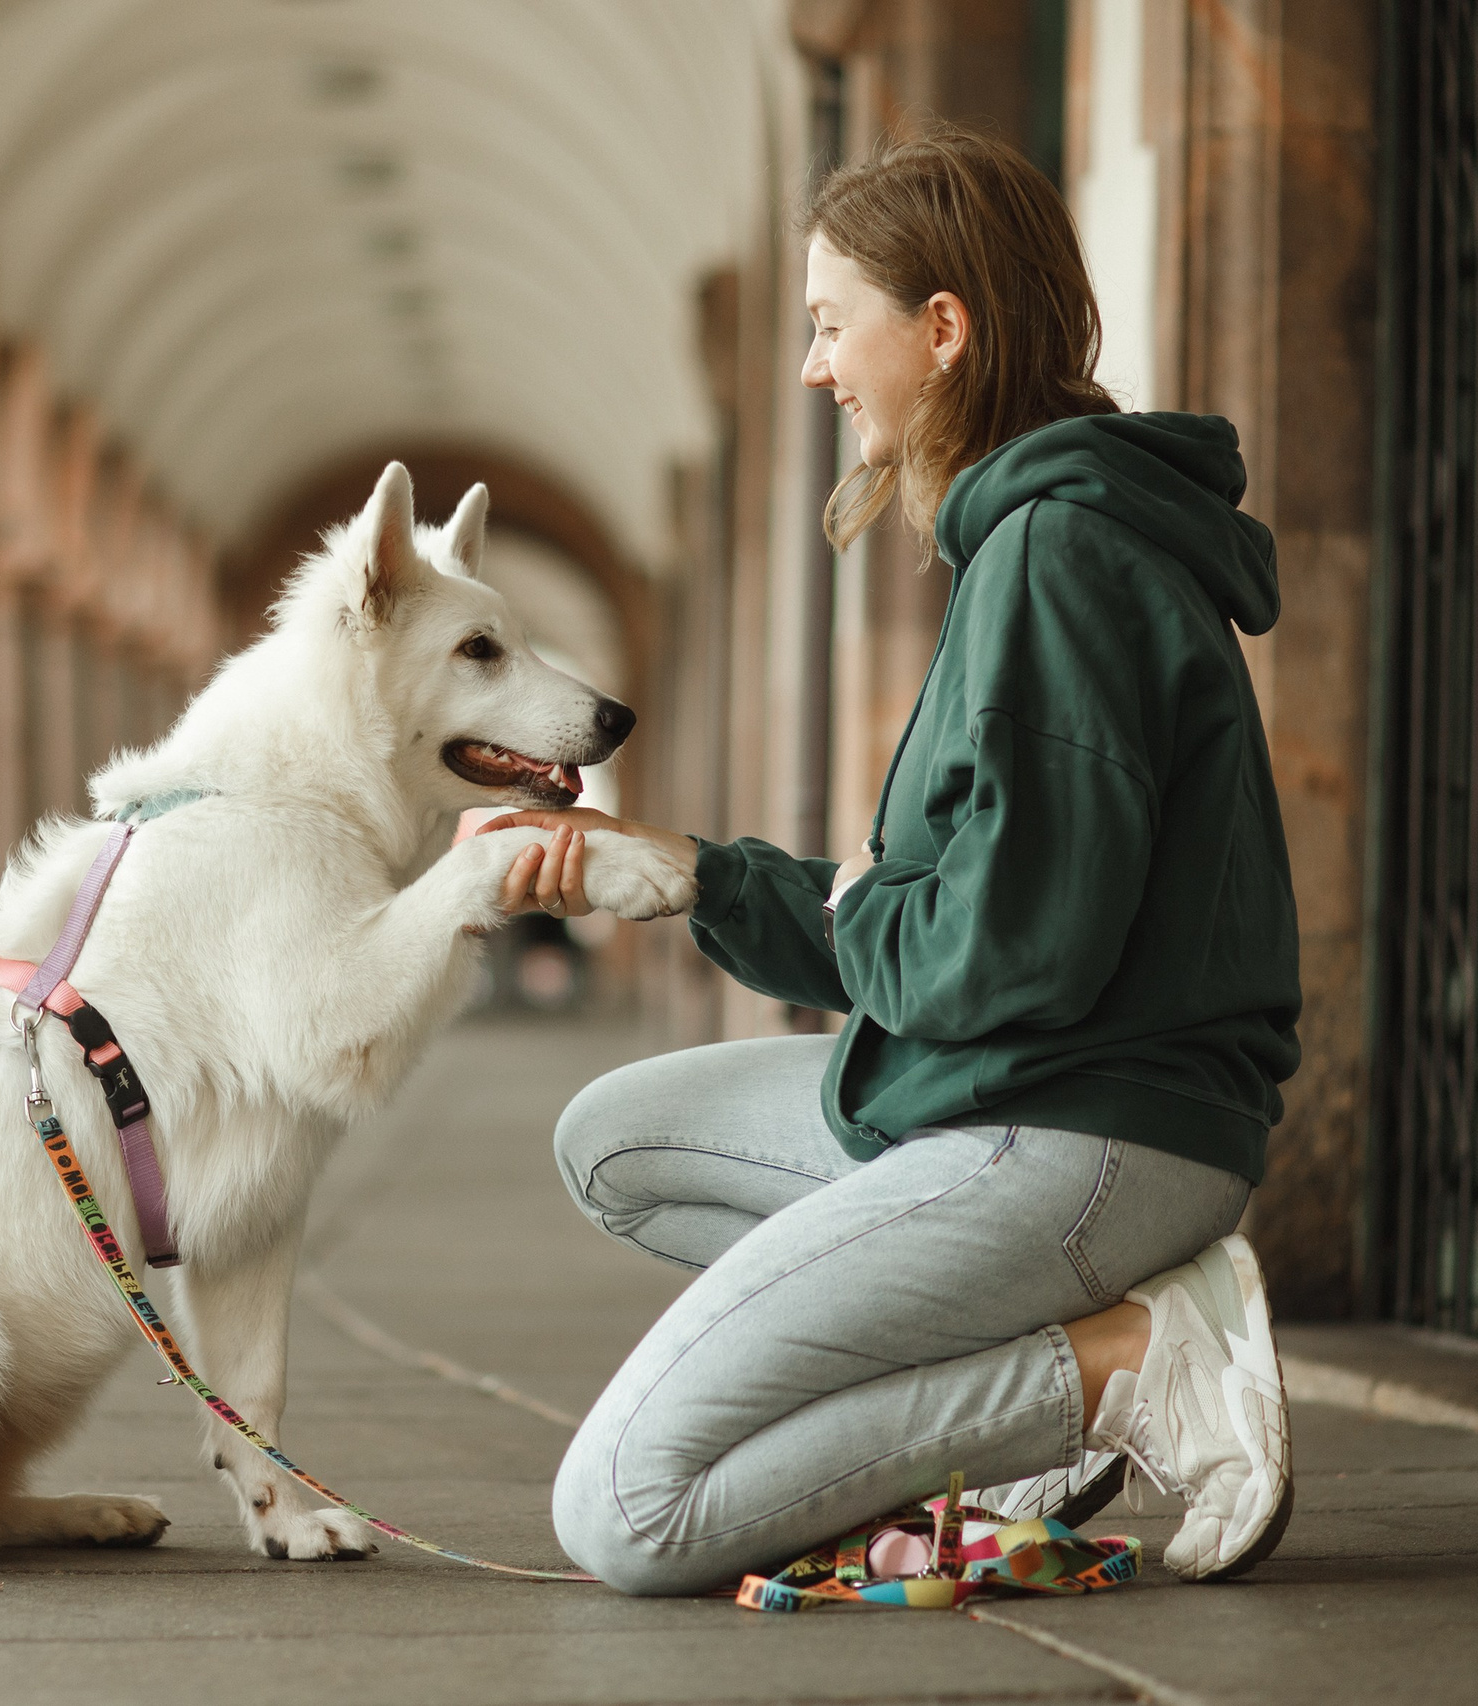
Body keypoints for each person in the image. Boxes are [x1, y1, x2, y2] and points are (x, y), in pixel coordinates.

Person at [483, 128, 1302, 1597]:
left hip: (1085, 1124)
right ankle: (1051, 1358)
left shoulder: (1057, 556)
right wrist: (688, 873)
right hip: (1019, 1092)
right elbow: (960, 913)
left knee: (628, 1507)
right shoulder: (1034, 545)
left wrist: (865, 903)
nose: (813, 367)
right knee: (614, 1139)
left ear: (943, 329)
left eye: (827, 321)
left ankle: (1118, 1370)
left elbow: (1011, 950)